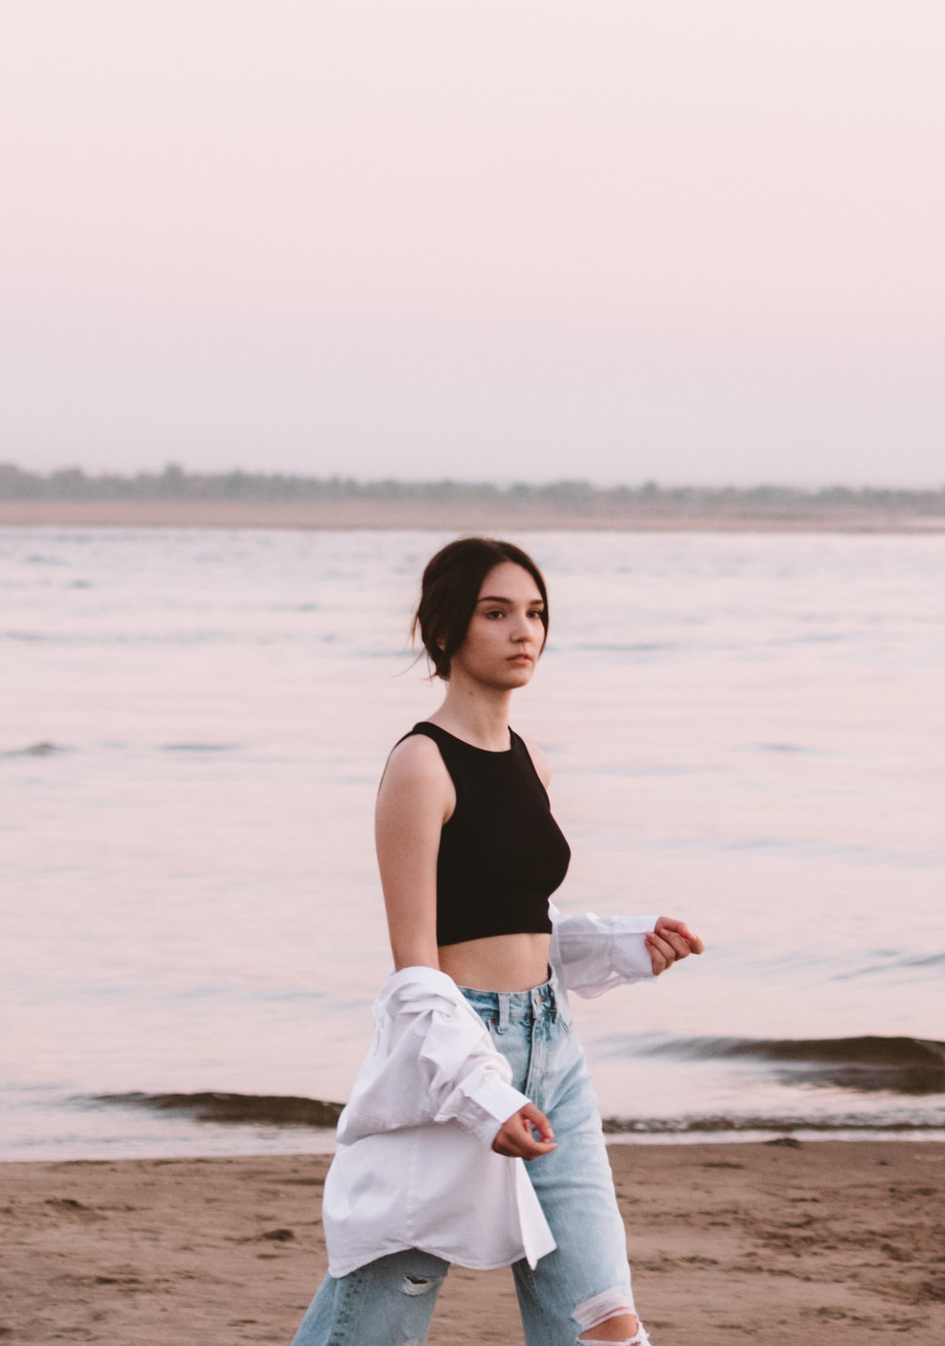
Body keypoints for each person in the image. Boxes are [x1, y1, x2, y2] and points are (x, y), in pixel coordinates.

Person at [289, 537, 704, 1346]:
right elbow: (417, 976)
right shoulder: (420, 765)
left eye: (537, 613)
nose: (525, 632)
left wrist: (631, 944)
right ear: (446, 631)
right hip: (450, 1069)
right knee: (374, 1322)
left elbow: (520, 921)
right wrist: (487, 1099)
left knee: (604, 1321)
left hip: (553, 1055)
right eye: (497, 612)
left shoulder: (530, 761)